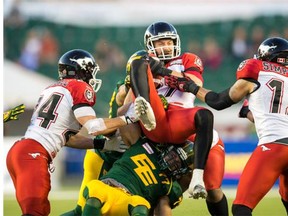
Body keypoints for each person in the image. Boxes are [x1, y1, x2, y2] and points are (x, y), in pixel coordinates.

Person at [6, 49, 154, 216]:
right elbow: (93, 127)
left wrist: (101, 143)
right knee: (35, 212)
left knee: (35, 211)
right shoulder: (79, 86)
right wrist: (127, 118)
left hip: (20, 152)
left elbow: (67, 139)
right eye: (91, 71)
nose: (92, 76)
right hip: (33, 153)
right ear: (82, 70)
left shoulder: (51, 88)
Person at [164, 36, 288, 215]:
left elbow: (219, 101)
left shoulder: (257, 69)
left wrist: (191, 87)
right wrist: (249, 112)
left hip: (274, 146)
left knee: (241, 208)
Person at [128, 21, 214, 200]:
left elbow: (194, 84)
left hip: (179, 118)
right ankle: (146, 110)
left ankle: (197, 180)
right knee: (138, 61)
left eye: (169, 42)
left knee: (205, 115)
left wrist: (162, 70)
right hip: (154, 117)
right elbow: (125, 107)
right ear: (151, 44)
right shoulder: (144, 64)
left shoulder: (187, 59)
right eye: (161, 43)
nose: (166, 47)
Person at [61, 79, 129, 216]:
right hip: (107, 152)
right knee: (83, 210)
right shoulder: (126, 85)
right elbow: (121, 93)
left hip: (113, 149)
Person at [81, 136, 194, 216]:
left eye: (178, 162)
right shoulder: (144, 143)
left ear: (182, 170)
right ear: (168, 149)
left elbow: (162, 207)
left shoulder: (169, 186)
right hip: (107, 179)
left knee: (141, 206)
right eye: (173, 156)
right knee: (88, 201)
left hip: (127, 200)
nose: (172, 161)